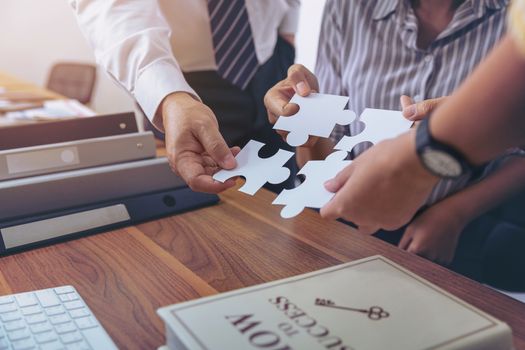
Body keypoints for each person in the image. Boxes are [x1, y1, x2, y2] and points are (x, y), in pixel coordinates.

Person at [265, 0, 525, 271]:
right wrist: (306, 120)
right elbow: (322, 155)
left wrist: (453, 214)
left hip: (460, 224)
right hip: (348, 211)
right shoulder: (346, 7)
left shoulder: (512, 17)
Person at [69, 0, 299, 193]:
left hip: (272, 64)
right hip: (183, 89)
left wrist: (290, 27)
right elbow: (113, 10)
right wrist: (169, 96)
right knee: (198, 210)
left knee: (281, 198)